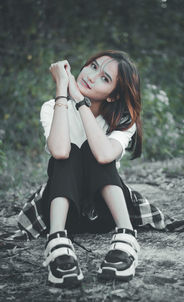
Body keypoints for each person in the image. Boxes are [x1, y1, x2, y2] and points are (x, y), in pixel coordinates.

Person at [40, 50, 142, 287]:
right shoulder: (53, 107)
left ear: (113, 96)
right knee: (72, 150)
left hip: (105, 211)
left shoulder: (124, 120)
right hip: (65, 213)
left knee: (95, 148)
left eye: (105, 78)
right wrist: (62, 93)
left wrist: (80, 101)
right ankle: (56, 242)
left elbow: (105, 154)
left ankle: (126, 238)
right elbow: (60, 152)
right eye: (93, 66)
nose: (91, 76)